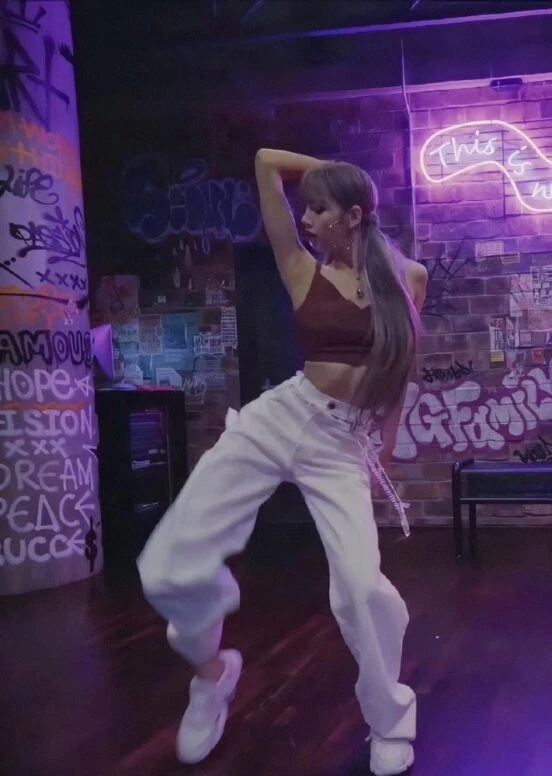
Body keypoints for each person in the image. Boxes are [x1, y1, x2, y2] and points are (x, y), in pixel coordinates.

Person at [137, 148, 428, 776]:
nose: (308, 220)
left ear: (352, 216)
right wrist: (334, 170)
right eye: (307, 209)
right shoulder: (300, 267)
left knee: (362, 588)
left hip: (341, 443)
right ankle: (210, 676)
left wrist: (388, 438)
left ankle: (389, 721)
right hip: (280, 417)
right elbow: (266, 161)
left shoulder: (409, 278)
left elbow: (402, 366)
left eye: (319, 209)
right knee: (166, 566)